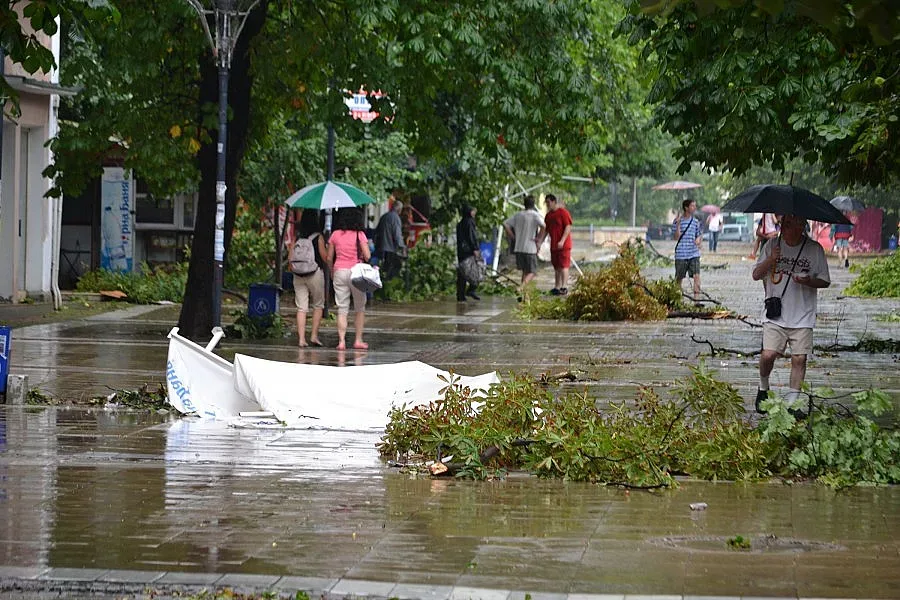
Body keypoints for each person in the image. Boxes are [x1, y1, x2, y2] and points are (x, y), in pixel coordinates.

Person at [751, 214, 831, 414]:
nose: (785, 228)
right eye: (784, 224)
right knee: (768, 354)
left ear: (801, 227)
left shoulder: (814, 250)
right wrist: (771, 259)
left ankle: (791, 403)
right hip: (775, 314)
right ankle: (763, 387)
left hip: (803, 314)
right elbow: (756, 275)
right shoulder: (771, 245)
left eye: (790, 225)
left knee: (799, 359)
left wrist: (808, 281)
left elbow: (824, 280)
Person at [326, 207, 371, 350]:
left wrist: (332, 271)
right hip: (356, 273)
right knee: (359, 308)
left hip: (339, 271)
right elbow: (368, 255)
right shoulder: (360, 235)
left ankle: (341, 342)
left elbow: (328, 257)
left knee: (342, 308)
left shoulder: (335, 235)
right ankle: (358, 340)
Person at [292, 209, 328, 347]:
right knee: (318, 304)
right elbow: (324, 257)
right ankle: (313, 336)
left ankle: (301, 340)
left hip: (298, 275)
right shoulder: (318, 237)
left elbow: (290, 257)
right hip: (314, 274)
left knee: (301, 307)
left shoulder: (298, 237)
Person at [503, 195, 545, 295]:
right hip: (530, 248)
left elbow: (505, 224)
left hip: (519, 247)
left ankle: (523, 294)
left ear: (524, 204)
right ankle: (521, 288)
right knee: (532, 271)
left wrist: (513, 236)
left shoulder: (518, 215)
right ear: (533, 204)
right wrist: (539, 238)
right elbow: (544, 226)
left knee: (525, 271)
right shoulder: (535, 215)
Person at [672, 198, 703, 300]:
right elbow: (676, 237)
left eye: (695, 206)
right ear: (686, 208)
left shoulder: (695, 222)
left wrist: (698, 240)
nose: (694, 208)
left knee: (696, 276)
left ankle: (696, 300)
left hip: (693, 253)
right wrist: (678, 225)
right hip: (681, 254)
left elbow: (698, 235)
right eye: (692, 206)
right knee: (679, 278)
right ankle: (678, 299)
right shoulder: (677, 221)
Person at [544, 194, 573, 295]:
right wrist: (539, 241)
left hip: (564, 245)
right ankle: (557, 286)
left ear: (554, 202)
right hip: (554, 245)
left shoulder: (563, 212)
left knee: (564, 265)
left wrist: (562, 240)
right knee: (556, 267)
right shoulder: (548, 216)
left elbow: (568, 227)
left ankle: (564, 286)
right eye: (546, 203)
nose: (547, 205)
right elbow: (546, 230)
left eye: (548, 202)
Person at [373, 198, 405, 281]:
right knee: (393, 267)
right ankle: (387, 285)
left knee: (381, 268)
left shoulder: (384, 216)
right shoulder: (396, 218)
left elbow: (377, 231)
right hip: (390, 249)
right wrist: (402, 246)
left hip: (380, 247)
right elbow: (397, 234)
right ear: (399, 209)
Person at [456, 204, 481, 302]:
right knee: (475, 270)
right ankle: (472, 289)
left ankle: (460, 293)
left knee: (462, 272)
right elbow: (472, 236)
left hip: (461, 251)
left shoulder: (461, 223)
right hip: (469, 251)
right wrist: (475, 248)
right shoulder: (469, 222)